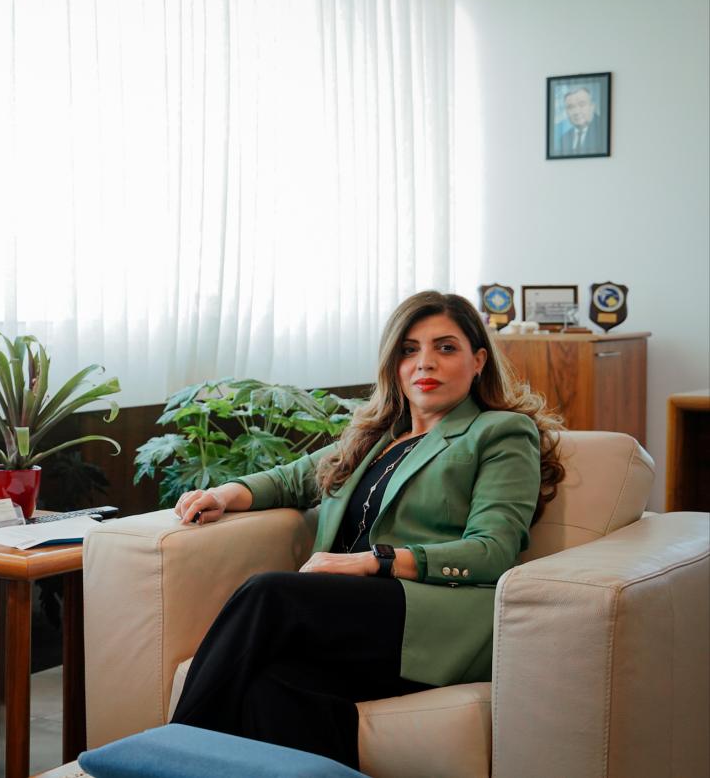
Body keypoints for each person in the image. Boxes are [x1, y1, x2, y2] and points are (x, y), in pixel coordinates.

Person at [168, 290, 564, 769]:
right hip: (352, 620)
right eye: (409, 350)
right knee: (269, 688)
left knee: (269, 593)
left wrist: (375, 561)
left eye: (445, 348)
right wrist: (224, 493)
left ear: (478, 360)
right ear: (393, 364)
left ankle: (166, 758)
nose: (425, 363)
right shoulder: (377, 436)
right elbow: (292, 479)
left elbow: (494, 549)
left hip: (430, 617)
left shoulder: (499, 431)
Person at [557, 86, 606, 156]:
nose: (576, 112)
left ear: (592, 106)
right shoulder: (564, 139)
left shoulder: (603, 131)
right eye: (570, 107)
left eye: (582, 105)